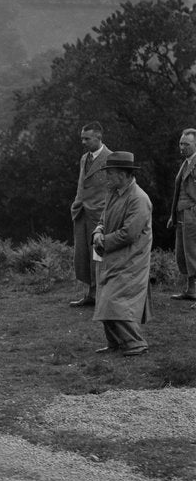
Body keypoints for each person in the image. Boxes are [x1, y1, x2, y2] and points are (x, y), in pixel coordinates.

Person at [91, 152, 152, 356]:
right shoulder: (114, 192)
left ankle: (135, 342)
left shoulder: (139, 199)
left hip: (131, 259)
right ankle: (116, 343)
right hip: (112, 256)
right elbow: (103, 219)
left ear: (124, 174)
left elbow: (130, 233)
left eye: (111, 173)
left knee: (114, 300)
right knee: (105, 298)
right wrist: (98, 232)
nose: (107, 177)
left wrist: (104, 241)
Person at [69, 122, 112, 306]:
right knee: (82, 254)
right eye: (82, 138)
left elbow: (115, 188)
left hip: (99, 214)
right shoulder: (83, 158)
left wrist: (107, 211)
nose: (83, 142)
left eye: (87, 138)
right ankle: (90, 294)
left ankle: (102, 295)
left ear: (98, 137)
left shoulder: (111, 158)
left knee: (99, 254)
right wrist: (77, 204)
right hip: (81, 212)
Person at [166, 128, 196, 302]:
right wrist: (173, 216)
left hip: (192, 214)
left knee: (192, 252)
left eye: (187, 144)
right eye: (181, 143)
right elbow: (179, 192)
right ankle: (190, 290)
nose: (182, 147)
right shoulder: (186, 163)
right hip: (182, 214)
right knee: (183, 253)